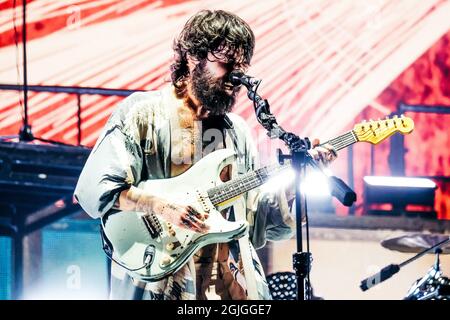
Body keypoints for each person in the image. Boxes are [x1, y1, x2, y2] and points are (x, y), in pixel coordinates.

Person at [74, 9, 336, 300]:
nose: (235, 77)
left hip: (225, 288)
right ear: (193, 57)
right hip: (160, 281)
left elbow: (255, 221)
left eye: (241, 66)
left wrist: (293, 184)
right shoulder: (142, 113)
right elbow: (97, 189)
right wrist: (161, 206)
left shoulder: (235, 132)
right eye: (225, 64)